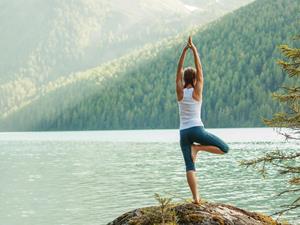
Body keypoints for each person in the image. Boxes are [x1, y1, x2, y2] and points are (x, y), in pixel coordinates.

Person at [176, 36, 230, 204]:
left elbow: (178, 72)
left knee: (189, 167)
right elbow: (201, 72)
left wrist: (184, 51)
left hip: (183, 132)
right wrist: (195, 50)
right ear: (194, 80)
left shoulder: (180, 93)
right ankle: (198, 149)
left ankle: (196, 198)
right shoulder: (196, 93)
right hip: (197, 130)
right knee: (224, 148)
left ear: (184, 80)